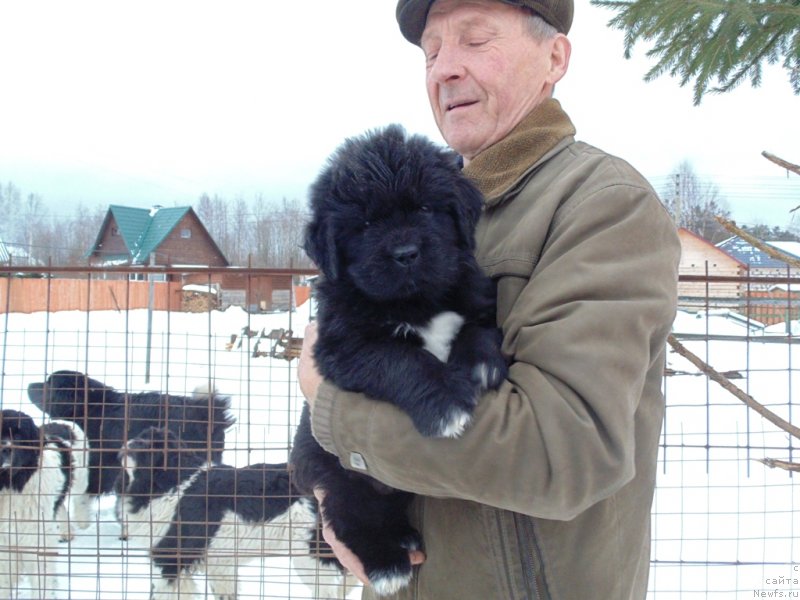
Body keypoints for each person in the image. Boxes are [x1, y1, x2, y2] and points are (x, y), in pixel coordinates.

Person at [298, 0, 681, 598]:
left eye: (475, 40)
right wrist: (336, 497)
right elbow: (327, 416)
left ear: (555, 58)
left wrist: (337, 414)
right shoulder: (431, 189)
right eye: (431, 52)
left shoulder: (601, 204)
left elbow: (564, 454)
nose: (444, 69)